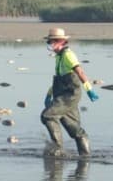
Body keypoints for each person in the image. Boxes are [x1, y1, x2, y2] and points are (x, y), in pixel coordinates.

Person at [40, 27, 98, 157]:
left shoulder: (68, 55)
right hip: (61, 94)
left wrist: (89, 90)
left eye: (51, 42)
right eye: (49, 42)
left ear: (60, 41)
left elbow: (80, 72)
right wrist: (49, 94)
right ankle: (85, 157)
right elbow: (59, 77)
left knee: (47, 115)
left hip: (70, 95)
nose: (49, 44)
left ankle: (58, 149)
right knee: (73, 129)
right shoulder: (58, 57)